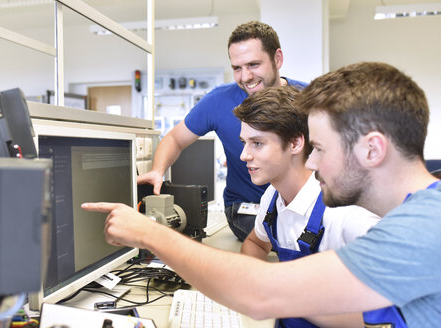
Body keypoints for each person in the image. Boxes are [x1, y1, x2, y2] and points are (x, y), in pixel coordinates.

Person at [82, 62, 441, 328]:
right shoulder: (417, 216)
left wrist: (148, 232)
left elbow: (261, 294)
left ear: (373, 149)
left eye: (320, 149)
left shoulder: (421, 230)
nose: (312, 162)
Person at [137, 21, 307, 241]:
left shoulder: (308, 98)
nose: (245, 77)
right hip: (246, 207)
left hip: (300, 202)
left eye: (254, 64)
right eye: (237, 68)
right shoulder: (219, 101)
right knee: (286, 238)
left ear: (278, 59)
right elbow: (174, 139)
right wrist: (157, 170)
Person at [235, 86, 379, 327]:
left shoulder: (345, 214)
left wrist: (281, 296)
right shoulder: (272, 196)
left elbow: (389, 312)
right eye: (244, 142)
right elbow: (255, 242)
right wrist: (258, 280)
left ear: (295, 143)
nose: (244, 155)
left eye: (257, 143)